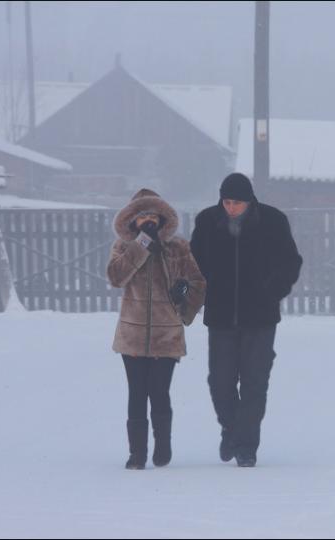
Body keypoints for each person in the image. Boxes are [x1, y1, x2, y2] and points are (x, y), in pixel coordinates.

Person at [190, 173, 303, 467]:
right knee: (220, 382)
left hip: (261, 318)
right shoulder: (206, 222)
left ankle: (247, 447)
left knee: (255, 383)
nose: (230, 208)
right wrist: (196, 289)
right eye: (226, 202)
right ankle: (231, 429)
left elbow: (291, 262)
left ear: (249, 201)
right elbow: (193, 263)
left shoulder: (273, 222)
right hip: (220, 316)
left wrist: (273, 290)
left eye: (236, 203)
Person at [107, 188, 205, 470]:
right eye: (141, 216)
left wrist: (184, 300)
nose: (147, 220)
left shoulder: (178, 248)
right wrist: (141, 244)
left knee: (159, 391)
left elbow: (198, 283)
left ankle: (163, 445)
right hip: (133, 336)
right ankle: (136, 454)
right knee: (137, 392)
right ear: (132, 220)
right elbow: (116, 277)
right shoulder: (123, 247)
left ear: (161, 217)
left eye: (152, 215)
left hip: (167, 334)